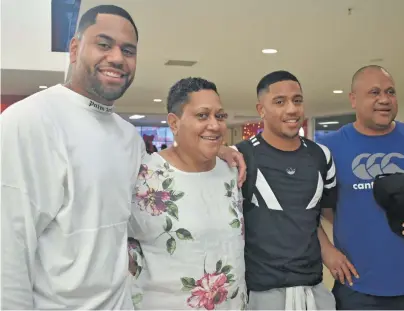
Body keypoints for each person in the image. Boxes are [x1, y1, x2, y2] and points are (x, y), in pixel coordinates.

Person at [0, 5, 246, 309]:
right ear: (75, 49)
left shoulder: (128, 137)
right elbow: (8, 248)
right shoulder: (30, 121)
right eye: (103, 44)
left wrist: (215, 146)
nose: (117, 58)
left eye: (128, 50)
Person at [318, 65, 404, 310]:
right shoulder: (328, 148)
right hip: (355, 287)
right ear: (353, 99)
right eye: (374, 92)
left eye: (390, 92)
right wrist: (326, 250)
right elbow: (303, 210)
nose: (384, 99)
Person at [127, 77, 247, 310]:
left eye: (219, 116)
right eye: (202, 115)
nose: (214, 124)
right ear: (174, 123)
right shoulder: (143, 176)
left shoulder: (231, 171)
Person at [234, 70, 341, 310]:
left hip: (314, 287)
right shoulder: (240, 157)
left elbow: (317, 215)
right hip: (261, 291)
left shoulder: (320, 156)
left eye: (298, 100)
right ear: (261, 109)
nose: (292, 109)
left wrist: (330, 251)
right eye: (280, 102)